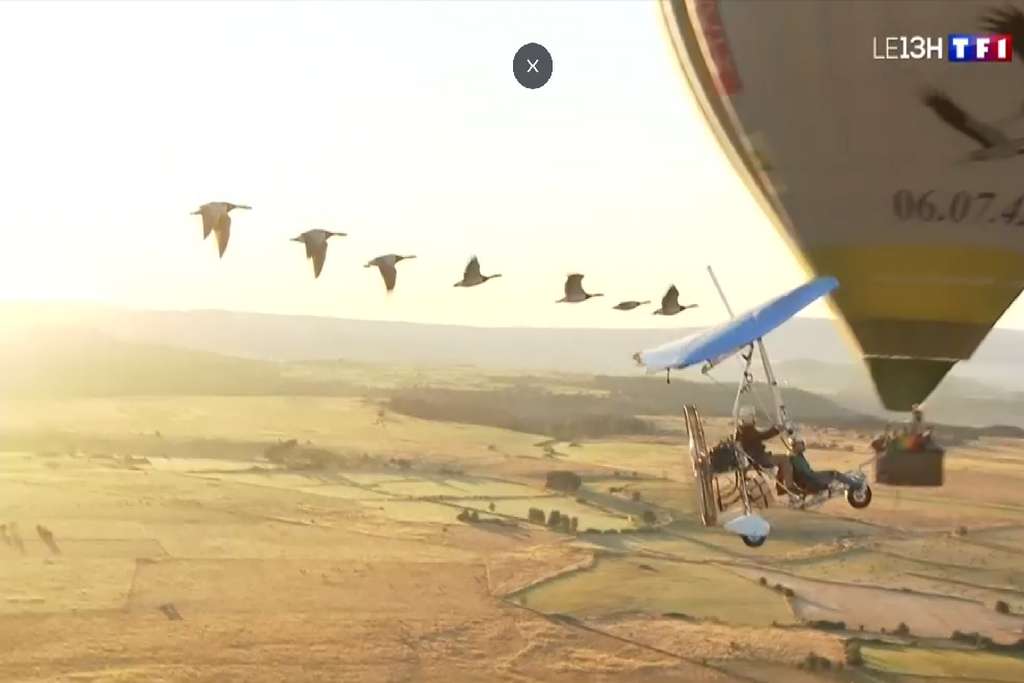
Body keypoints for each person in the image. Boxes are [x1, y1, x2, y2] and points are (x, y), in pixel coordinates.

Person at [735, 405, 796, 494]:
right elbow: (763, 435)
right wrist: (776, 429)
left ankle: (781, 488)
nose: (754, 418)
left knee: (782, 459)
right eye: (752, 416)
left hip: (756, 458)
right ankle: (789, 488)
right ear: (748, 417)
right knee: (785, 459)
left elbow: (759, 435)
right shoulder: (747, 430)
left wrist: (776, 429)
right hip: (759, 459)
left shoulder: (741, 430)